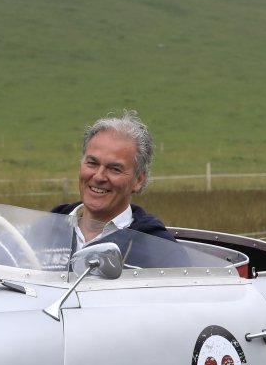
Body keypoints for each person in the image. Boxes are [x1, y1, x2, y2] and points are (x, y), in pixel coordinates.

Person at [47, 111, 180, 267]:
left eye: (114, 169)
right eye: (92, 163)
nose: (99, 177)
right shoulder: (46, 229)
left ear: (138, 180)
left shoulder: (160, 250)